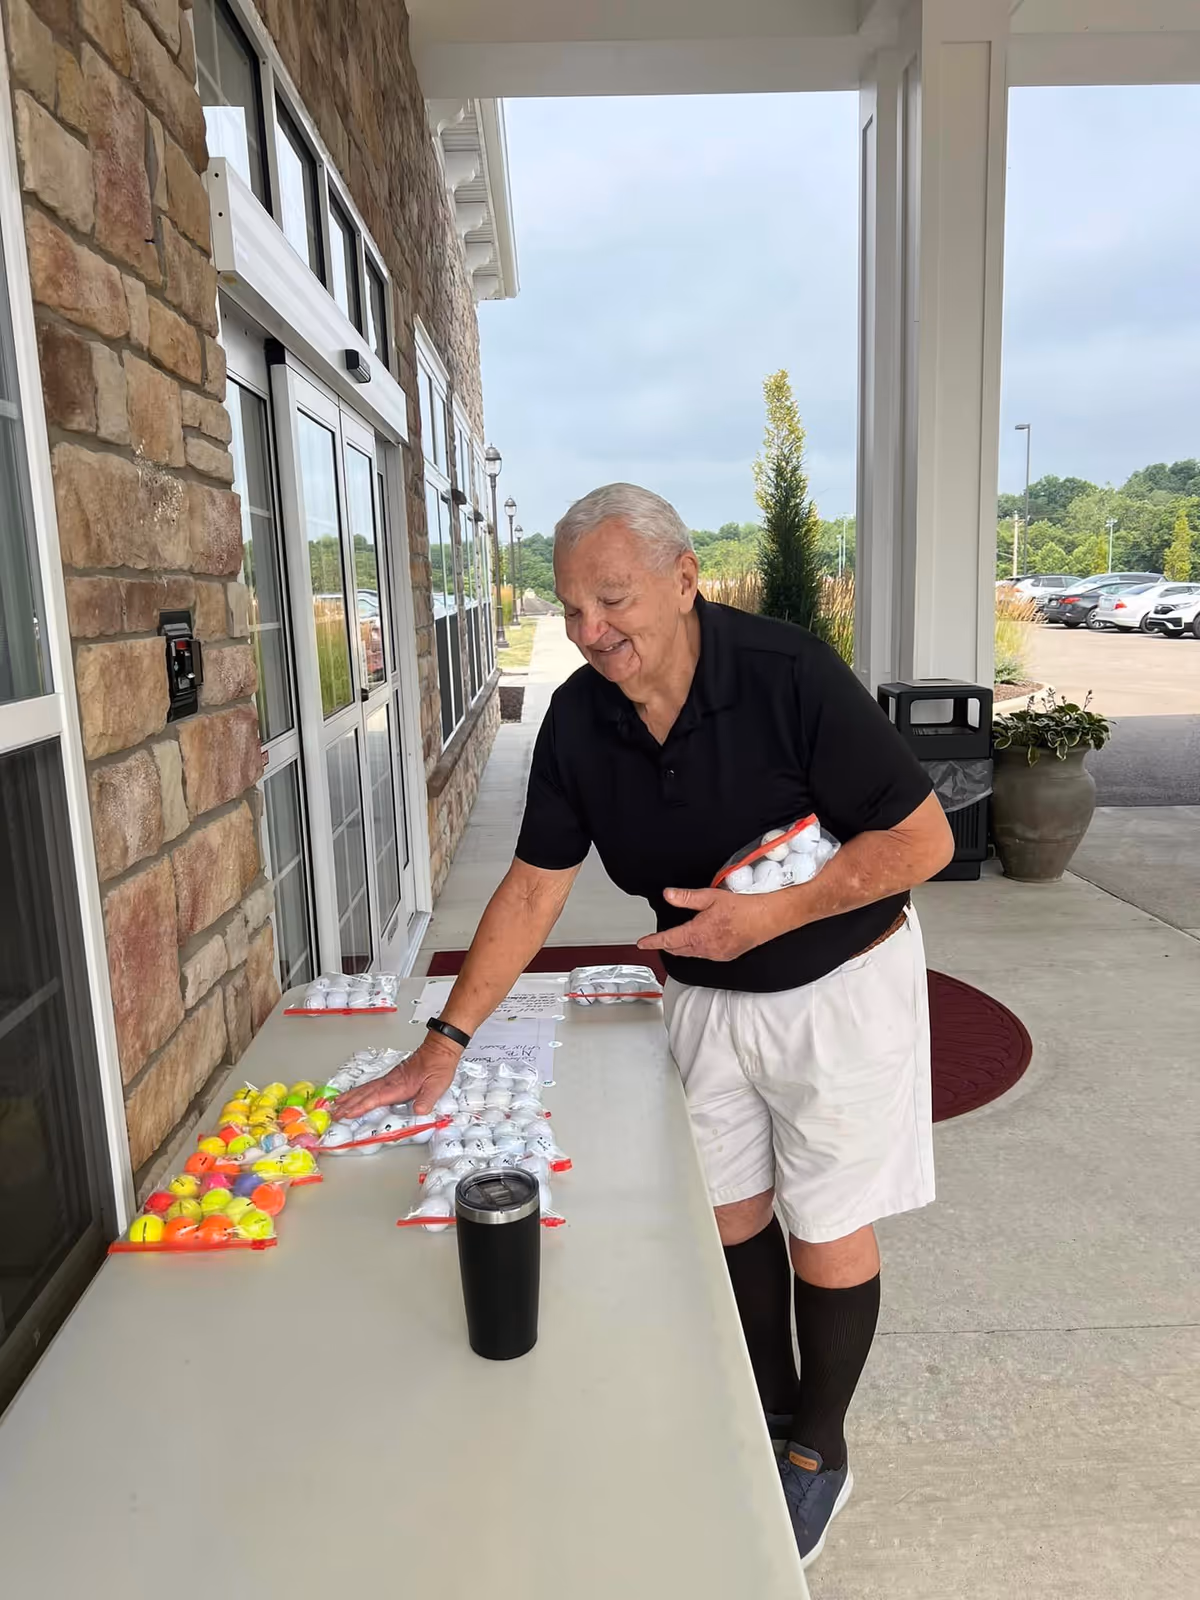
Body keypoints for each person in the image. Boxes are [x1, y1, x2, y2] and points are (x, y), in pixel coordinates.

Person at [335, 482, 953, 1567]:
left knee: (827, 1223)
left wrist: (775, 911)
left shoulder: (787, 675)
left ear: (682, 580)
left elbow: (922, 842)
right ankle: (764, 1409)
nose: (589, 631)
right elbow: (533, 886)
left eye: (611, 600)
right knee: (728, 1211)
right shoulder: (580, 720)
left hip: (840, 986)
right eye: (570, 608)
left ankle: (817, 1448)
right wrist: (446, 1040)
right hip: (706, 996)